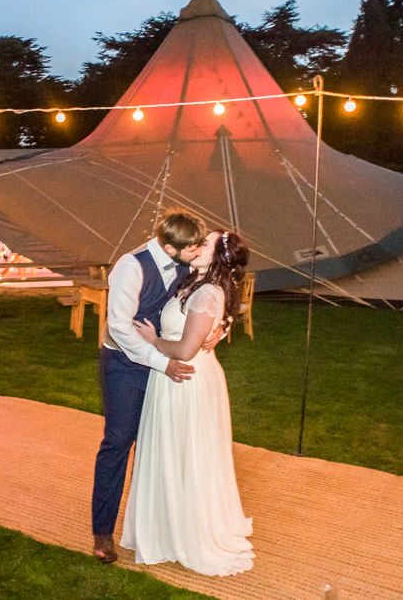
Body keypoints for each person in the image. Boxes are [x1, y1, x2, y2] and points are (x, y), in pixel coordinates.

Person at [120, 230, 254, 575]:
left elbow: (185, 350)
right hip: (177, 377)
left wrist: (153, 340)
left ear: (218, 258)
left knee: (186, 453)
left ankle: (185, 532)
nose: (196, 246)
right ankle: (167, 524)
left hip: (185, 378)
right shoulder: (190, 279)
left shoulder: (207, 292)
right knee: (175, 452)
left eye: (204, 244)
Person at [92, 211, 214, 564]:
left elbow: (211, 296)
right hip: (124, 367)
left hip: (166, 364)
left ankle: (155, 527)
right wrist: (163, 363)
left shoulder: (188, 265)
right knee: (118, 442)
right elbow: (119, 327)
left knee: (159, 444)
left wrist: (218, 326)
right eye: (191, 248)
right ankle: (103, 532)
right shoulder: (131, 267)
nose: (198, 251)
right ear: (168, 246)